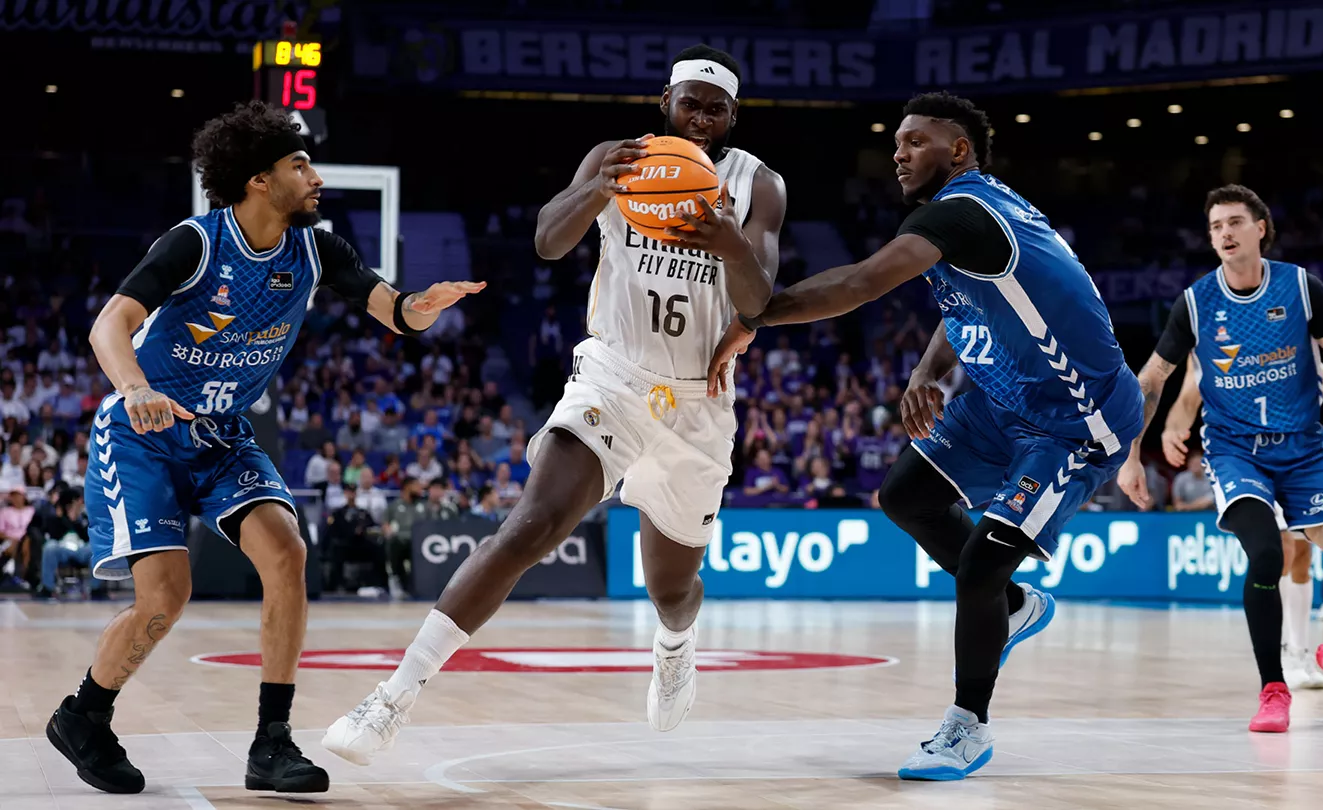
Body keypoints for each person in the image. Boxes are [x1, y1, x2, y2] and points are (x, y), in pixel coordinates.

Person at [323, 43, 788, 764]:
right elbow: (546, 241)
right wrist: (599, 188)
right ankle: (391, 700)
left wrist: (731, 243)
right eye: (689, 101)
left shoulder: (759, 184)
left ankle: (674, 646)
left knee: (672, 588)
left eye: (715, 106)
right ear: (663, 102)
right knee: (529, 527)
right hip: (615, 378)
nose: (700, 116)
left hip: (699, 403)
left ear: (735, 115)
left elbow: (759, 305)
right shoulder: (617, 156)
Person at [46, 100, 483, 796]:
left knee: (286, 550)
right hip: (144, 435)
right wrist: (133, 388)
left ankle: (271, 742)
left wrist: (418, 308)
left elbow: (391, 309)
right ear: (257, 180)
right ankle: (84, 715)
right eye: (299, 164)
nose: (314, 176)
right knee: (166, 598)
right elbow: (109, 326)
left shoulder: (317, 248)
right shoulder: (195, 243)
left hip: (222, 435)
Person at [704, 92, 1141, 781]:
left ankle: (967, 727)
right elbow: (968, 301)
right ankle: (1019, 608)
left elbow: (861, 282)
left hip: (1075, 421)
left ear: (958, 150)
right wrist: (930, 370)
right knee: (905, 495)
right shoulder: (967, 214)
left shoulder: (966, 210)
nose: (899, 153)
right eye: (896, 142)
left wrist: (760, 315)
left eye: (915, 141)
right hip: (1003, 401)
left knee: (982, 567)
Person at [1118, 184, 1323, 735]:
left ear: (1260, 228)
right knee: (1267, 554)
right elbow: (1153, 378)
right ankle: (1273, 689)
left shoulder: (1300, 288)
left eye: (1235, 222)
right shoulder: (1197, 303)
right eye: (1216, 225)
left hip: (1304, 450)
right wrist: (1131, 455)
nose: (1224, 233)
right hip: (1235, 452)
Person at [1161, 351, 1323, 688]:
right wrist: (1175, 427)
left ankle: (1300, 650)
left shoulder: (1288, 331)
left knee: (1303, 557)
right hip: (1247, 460)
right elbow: (1189, 392)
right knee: (1279, 554)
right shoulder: (1211, 334)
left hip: (1294, 455)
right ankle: (1281, 654)